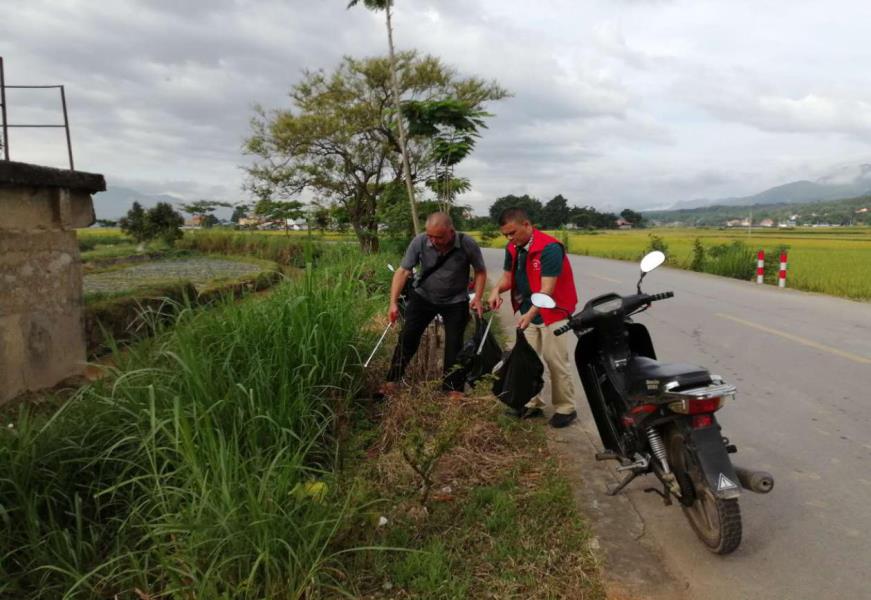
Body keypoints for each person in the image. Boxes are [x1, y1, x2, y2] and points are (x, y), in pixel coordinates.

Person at [488, 207, 579, 428]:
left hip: (554, 311)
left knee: (555, 360)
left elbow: (547, 290)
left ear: (527, 225)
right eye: (506, 235)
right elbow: (508, 278)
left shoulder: (550, 248)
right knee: (525, 360)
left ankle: (566, 408)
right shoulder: (513, 248)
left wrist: (529, 315)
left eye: (513, 233)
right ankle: (531, 403)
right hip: (529, 309)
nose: (510, 238)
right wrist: (495, 291)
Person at [381, 212, 487, 399]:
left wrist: (477, 298)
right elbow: (403, 271)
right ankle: (392, 381)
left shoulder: (467, 243)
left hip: (456, 301)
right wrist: (393, 303)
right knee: (407, 337)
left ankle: (453, 389)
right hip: (423, 297)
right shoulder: (420, 241)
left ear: (451, 231)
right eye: (430, 236)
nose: (434, 240)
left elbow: (480, 271)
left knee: (455, 345)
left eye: (439, 237)